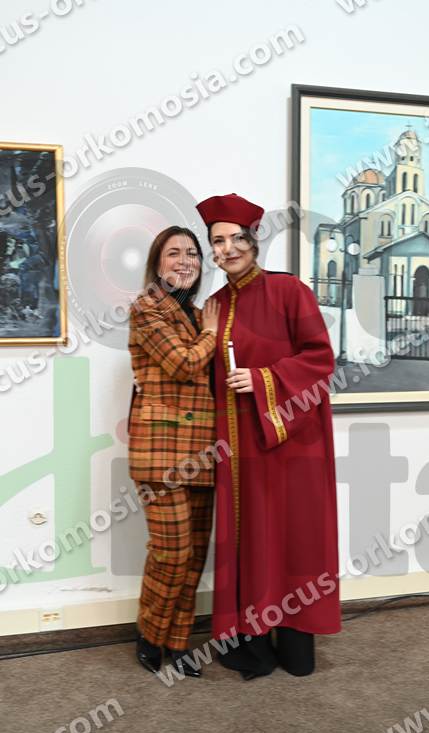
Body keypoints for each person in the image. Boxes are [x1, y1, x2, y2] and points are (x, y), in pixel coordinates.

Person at [196, 193, 341, 679]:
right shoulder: (214, 306)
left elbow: (320, 359)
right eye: (218, 241)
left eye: (236, 238)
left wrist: (261, 379)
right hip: (238, 449)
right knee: (250, 539)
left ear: (253, 240)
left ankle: (296, 642)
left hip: (292, 441)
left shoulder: (289, 291)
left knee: (294, 539)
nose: (227, 249)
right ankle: (253, 640)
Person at [127, 225, 220, 677]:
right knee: (172, 553)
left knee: (195, 554)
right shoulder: (146, 308)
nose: (185, 261)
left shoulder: (200, 314)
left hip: (203, 451)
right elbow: (182, 364)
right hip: (161, 454)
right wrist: (214, 335)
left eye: (193, 254)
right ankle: (150, 634)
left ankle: (178, 641)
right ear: (157, 263)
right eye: (174, 253)